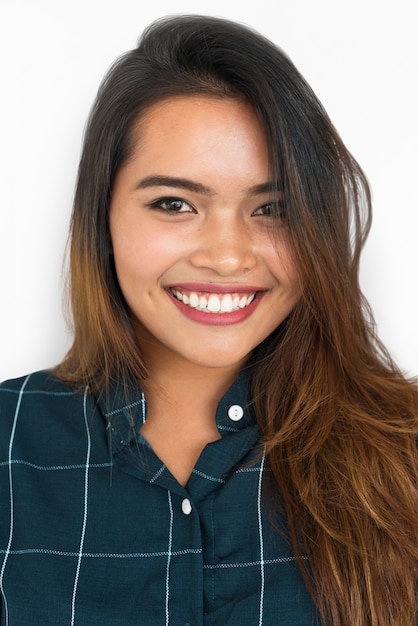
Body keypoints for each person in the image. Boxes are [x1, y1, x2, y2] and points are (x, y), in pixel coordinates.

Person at [1, 14, 417, 626]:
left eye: (273, 208)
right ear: (103, 219)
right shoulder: (9, 444)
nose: (227, 256)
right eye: (174, 204)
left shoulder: (404, 450)